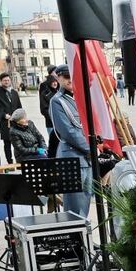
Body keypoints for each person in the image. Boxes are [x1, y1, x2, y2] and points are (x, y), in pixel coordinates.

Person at [49, 64, 95, 217]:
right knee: (75, 208)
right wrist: (91, 149)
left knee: (86, 203)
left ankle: (82, 237)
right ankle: (77, 238)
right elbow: (68, 132)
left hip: (86, 159)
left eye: (72, 77)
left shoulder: (80, 98)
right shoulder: (57, 101)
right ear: (58, 77)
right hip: (72, 158)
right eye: (66, 77)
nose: (70, 80)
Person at [0, 73, 22, 163]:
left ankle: (18, 160)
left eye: (8, 80)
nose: (6, 82)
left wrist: (21, 117)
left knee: (18, 142)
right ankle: (9, 161)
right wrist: (3, 115)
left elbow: (19, 106)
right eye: (4, 80)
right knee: (7, 143)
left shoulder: (14, 92)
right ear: (1, 81)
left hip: (16, 121)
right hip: (5, 122)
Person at [39, 67, 61, 157]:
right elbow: (44, 109)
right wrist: (53, 118)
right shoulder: (45, 93)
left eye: (56, 81)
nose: (55, 83)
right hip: (51, 123)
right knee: (53, 142)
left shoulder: (60, 92)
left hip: (60, 122)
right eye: (53, 81)